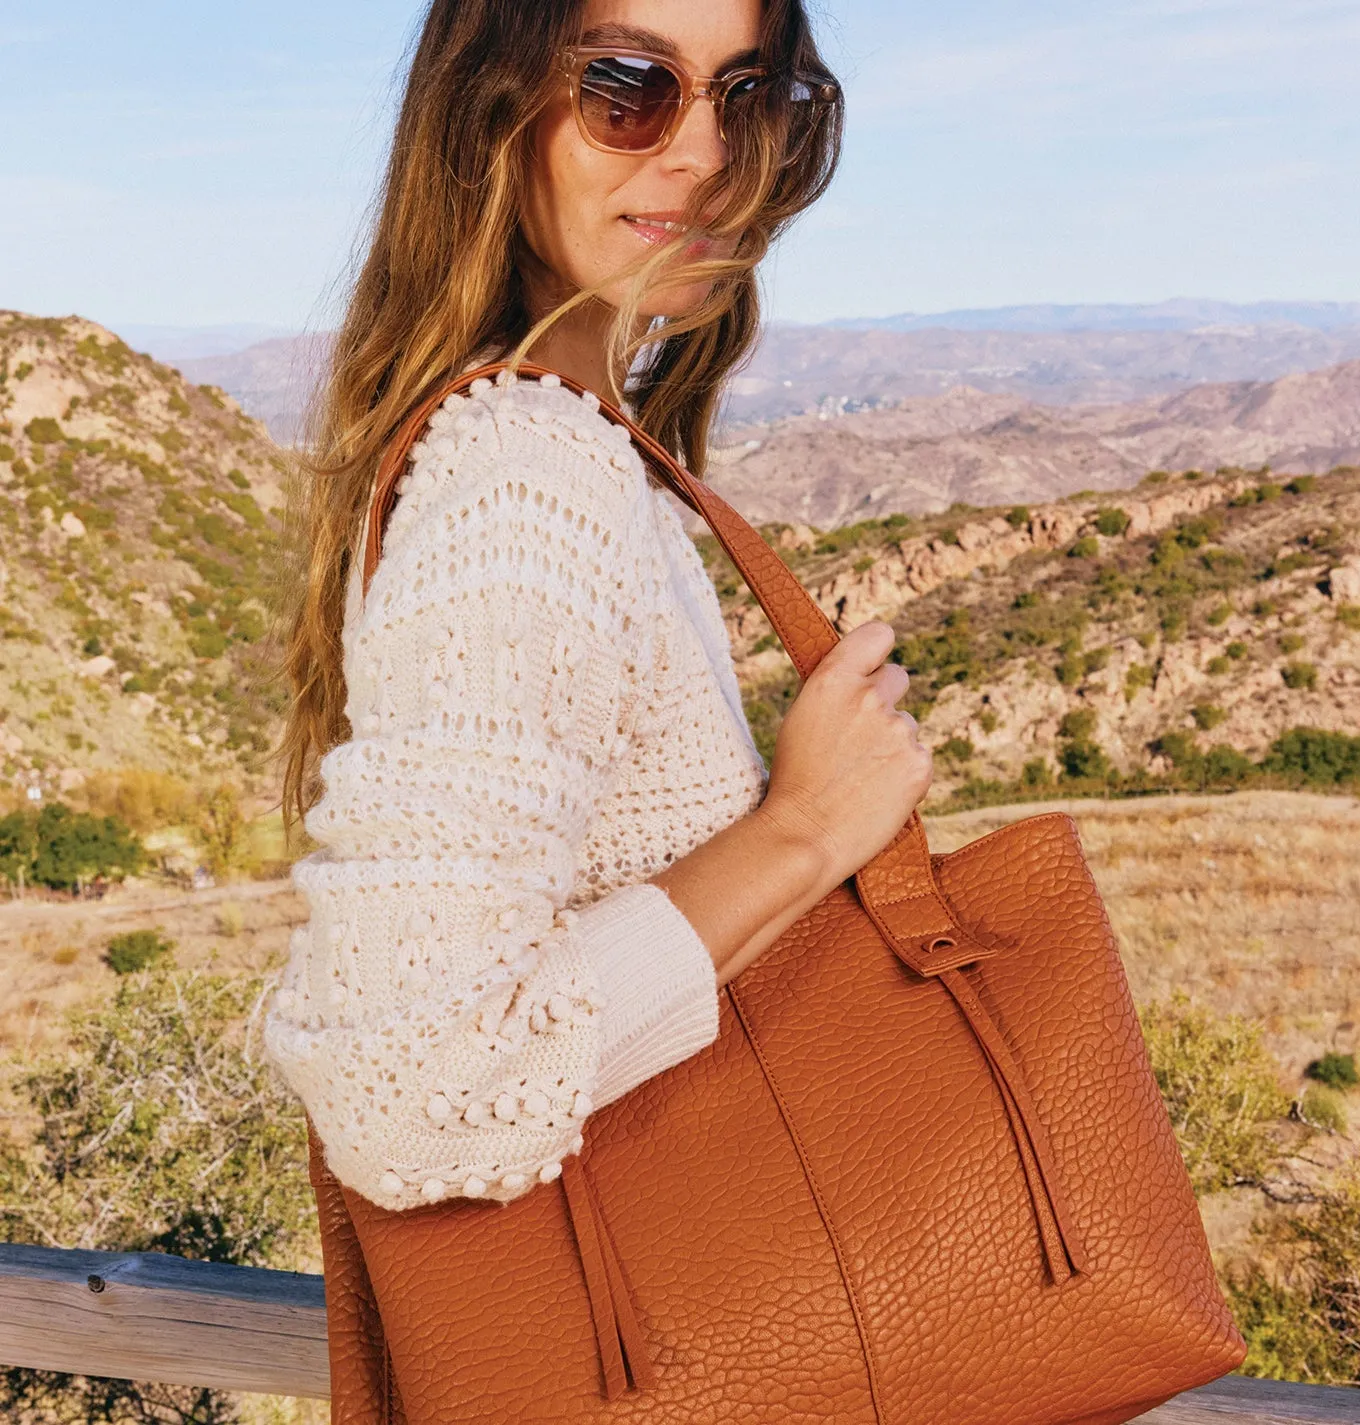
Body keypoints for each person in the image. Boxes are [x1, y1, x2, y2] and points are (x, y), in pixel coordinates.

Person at [265, 0, 930, 1219]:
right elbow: (407, 1086)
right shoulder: (530, 475)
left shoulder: (564, 443)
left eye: (749, 97)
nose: (703, 153)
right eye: (628, 87)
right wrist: (806, 830)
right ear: (491, 114)